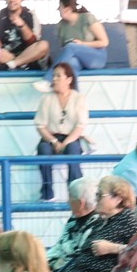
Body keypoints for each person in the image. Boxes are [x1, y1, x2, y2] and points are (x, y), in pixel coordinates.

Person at [48, 176, 137, 272]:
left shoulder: (128, 221)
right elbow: (82, 255)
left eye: (99, 195)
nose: (95, 199)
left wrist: (113, 248)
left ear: (117, 199)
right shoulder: (100, 221)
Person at [35, 63, 92, 200]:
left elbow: (80, 126)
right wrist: (54, 141)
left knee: (73, 150)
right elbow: (40, 125)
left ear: (69, 79)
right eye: (53, 75)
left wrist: (65, 142)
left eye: (58, 76)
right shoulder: (46, 98)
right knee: (43, 150)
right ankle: (47, 193)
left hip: (71, 137)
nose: (54, 79)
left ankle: (76, 194)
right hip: (51, 138)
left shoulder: (78, 98)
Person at [46, 0, 110, 80]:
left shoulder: (87, 18)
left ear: (67, 9)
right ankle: (73, 92)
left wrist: (82, 44)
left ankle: (49, 79)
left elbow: (104, 42)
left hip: (96, 58)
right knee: (72, 64)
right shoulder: (61, 25)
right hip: (77, 59)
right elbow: (64, 50)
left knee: (72, 46)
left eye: (60, 6)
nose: (58, 9)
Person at [49, 176, 102, 272]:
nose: (68, 201)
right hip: (56, 268)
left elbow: (77, 258)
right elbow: (58, 246)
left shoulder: (96, 223)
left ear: (81, 203)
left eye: (70, 198)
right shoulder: (74, 218)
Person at [0, 0, 48, 71]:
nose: (12, 0)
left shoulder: (30, 14)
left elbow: (33, 42)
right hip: (7, 56)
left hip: (28, 55)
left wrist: (22, 25)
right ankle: (20, 64)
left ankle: (15, 64)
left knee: (44, 45)